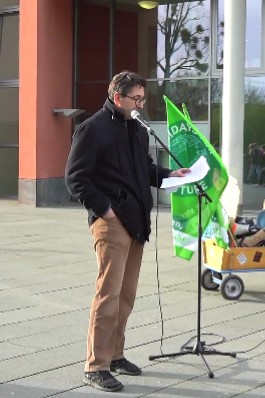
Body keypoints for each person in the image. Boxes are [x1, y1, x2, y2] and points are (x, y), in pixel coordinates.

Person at [65, 70, 190, 393]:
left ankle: (116, 355)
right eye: (136, 99)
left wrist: (168, 174)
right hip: (112, 222)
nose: (141, 104)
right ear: (117, 98)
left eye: (143, 98)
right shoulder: (92, 129)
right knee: (108, 296)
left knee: (126, 296)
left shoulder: (136, 129)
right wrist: (105, 209)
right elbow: (76, 178)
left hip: (136, 223)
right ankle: (96, 365)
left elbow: (143, 169)